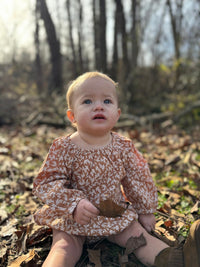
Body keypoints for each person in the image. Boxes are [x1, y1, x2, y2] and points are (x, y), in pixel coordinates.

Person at [33, 71, 200, 267]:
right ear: (72, 116)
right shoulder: (64, 147)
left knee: (137, 235)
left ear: (117, 114)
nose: (98, 106)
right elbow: (47, 182)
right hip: (73, 219)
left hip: (112, 214)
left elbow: (137, 177)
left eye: (107, 101)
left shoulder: (123, 147)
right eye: (87, 101)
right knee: (64, 246)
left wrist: (145, 210)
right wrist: (74, 204)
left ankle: (174, 260)